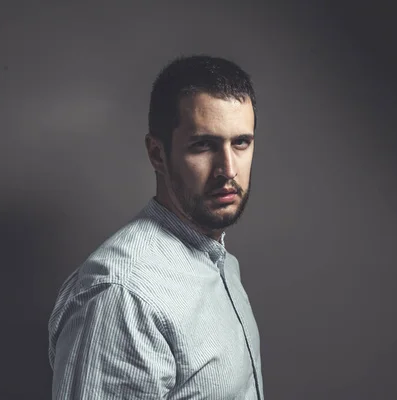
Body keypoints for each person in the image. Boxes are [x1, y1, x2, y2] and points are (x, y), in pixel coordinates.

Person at [48, 55, 264, 399]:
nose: (228, 169)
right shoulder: (123, 295)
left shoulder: (218, 259)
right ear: (157, 154)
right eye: (203, 145)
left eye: (240, 142)